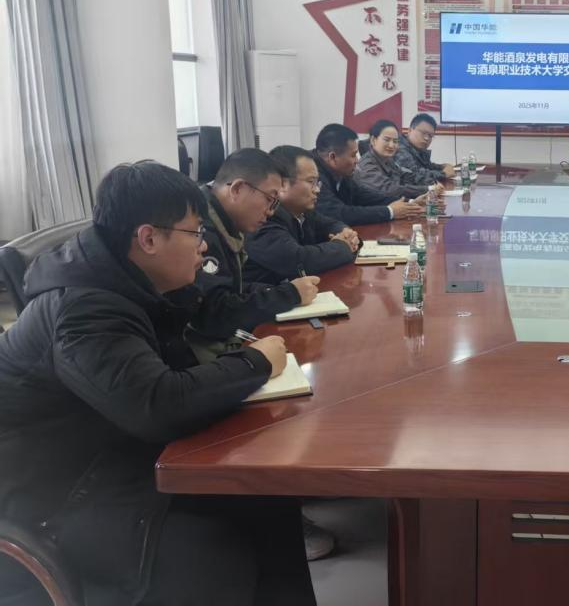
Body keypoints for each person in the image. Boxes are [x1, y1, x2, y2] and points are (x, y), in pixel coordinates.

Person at [0, 161, 316, 606]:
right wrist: (255, 363)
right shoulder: (85, 309)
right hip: (58, 502)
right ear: (148, 239)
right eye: (195, 233)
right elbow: (158, 405)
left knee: (269, 500)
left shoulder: (131, 282)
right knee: (216, 555)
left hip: (113, 459)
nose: (203, 246)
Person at [191, 148, 320, 351]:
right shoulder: (202, 228)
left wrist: (272, 291)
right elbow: (216, 314)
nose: (271, 212)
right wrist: (289, 294)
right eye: (270, 199)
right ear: (237, 189)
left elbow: (231, 288)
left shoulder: (224, 218)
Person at [245, 145, 360, 284]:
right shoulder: (264, 217)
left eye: (317, 183)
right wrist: (343, 246)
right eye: (311, 182)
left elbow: (332, 224)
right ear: (282, 184)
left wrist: (347, 234)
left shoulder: (302, 212)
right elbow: (299, 260)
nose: (317, 190)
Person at [313, 123, 425, 225]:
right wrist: (390, 212)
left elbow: (363, 196)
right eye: (353, 155)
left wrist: (410, 203)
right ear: (333, 157)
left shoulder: (340, 172)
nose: (357, 160)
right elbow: (340, 213)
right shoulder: (313, 176)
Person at [354, 119, 436, 200]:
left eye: (395, 141)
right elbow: (390, 189)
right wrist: (428, 189)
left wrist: (433, 183)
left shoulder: (387, 160)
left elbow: (406, 176)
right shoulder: (367, 165)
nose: (391, 145)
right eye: (387, 140)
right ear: (373, 140)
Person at [396, 113, 456, 185]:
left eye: (430, 136)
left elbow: (428, 166)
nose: (427, 138)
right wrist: (443, 174)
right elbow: (415, 175)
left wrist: (443, 166)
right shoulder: (399, 148)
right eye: (423, 133)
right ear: (410, 130)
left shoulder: (417, 149)